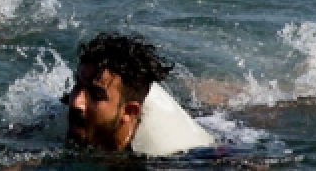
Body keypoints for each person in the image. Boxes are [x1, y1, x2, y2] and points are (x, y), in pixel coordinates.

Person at [65, 33, 216, 157]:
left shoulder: (167, 156)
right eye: (78, 85)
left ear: (129, 111)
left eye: (96, 95)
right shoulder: (69, 111)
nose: (76, 102)